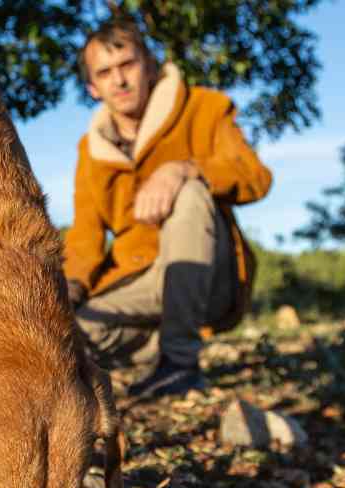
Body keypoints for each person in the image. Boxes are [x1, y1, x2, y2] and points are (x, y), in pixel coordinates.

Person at [63, 18, 272, 398]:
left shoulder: (205, 107)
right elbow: (86, 236)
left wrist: (185, 169)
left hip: (208, 273)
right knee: (66, 333)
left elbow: (255, 175)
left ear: (150, 66)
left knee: (191, 193)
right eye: (105, 73)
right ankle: (157, 347)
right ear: (93, 88)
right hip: (139, 283)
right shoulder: (88, 151)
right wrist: (67, 290)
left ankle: (180, 364)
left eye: (128, 65)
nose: (120, 81)